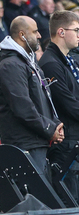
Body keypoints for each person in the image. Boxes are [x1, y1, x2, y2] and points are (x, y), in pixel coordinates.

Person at [38, 10, 79, 204]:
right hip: (66, 142)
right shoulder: (50, 63)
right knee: (70, 199)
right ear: (61, 32)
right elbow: (66, 103)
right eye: (76, 30)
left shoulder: (72, 61)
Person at [0, 16, 64, 174]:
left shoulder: (28, 62)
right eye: (35, 31)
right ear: (22, 35)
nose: (39, 36)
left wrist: (55, 125)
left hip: (37, 141)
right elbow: (23, 107)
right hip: (25, 144)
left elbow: (44, 99)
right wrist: (50, 129)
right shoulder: (10, 65)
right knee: (32, 197)